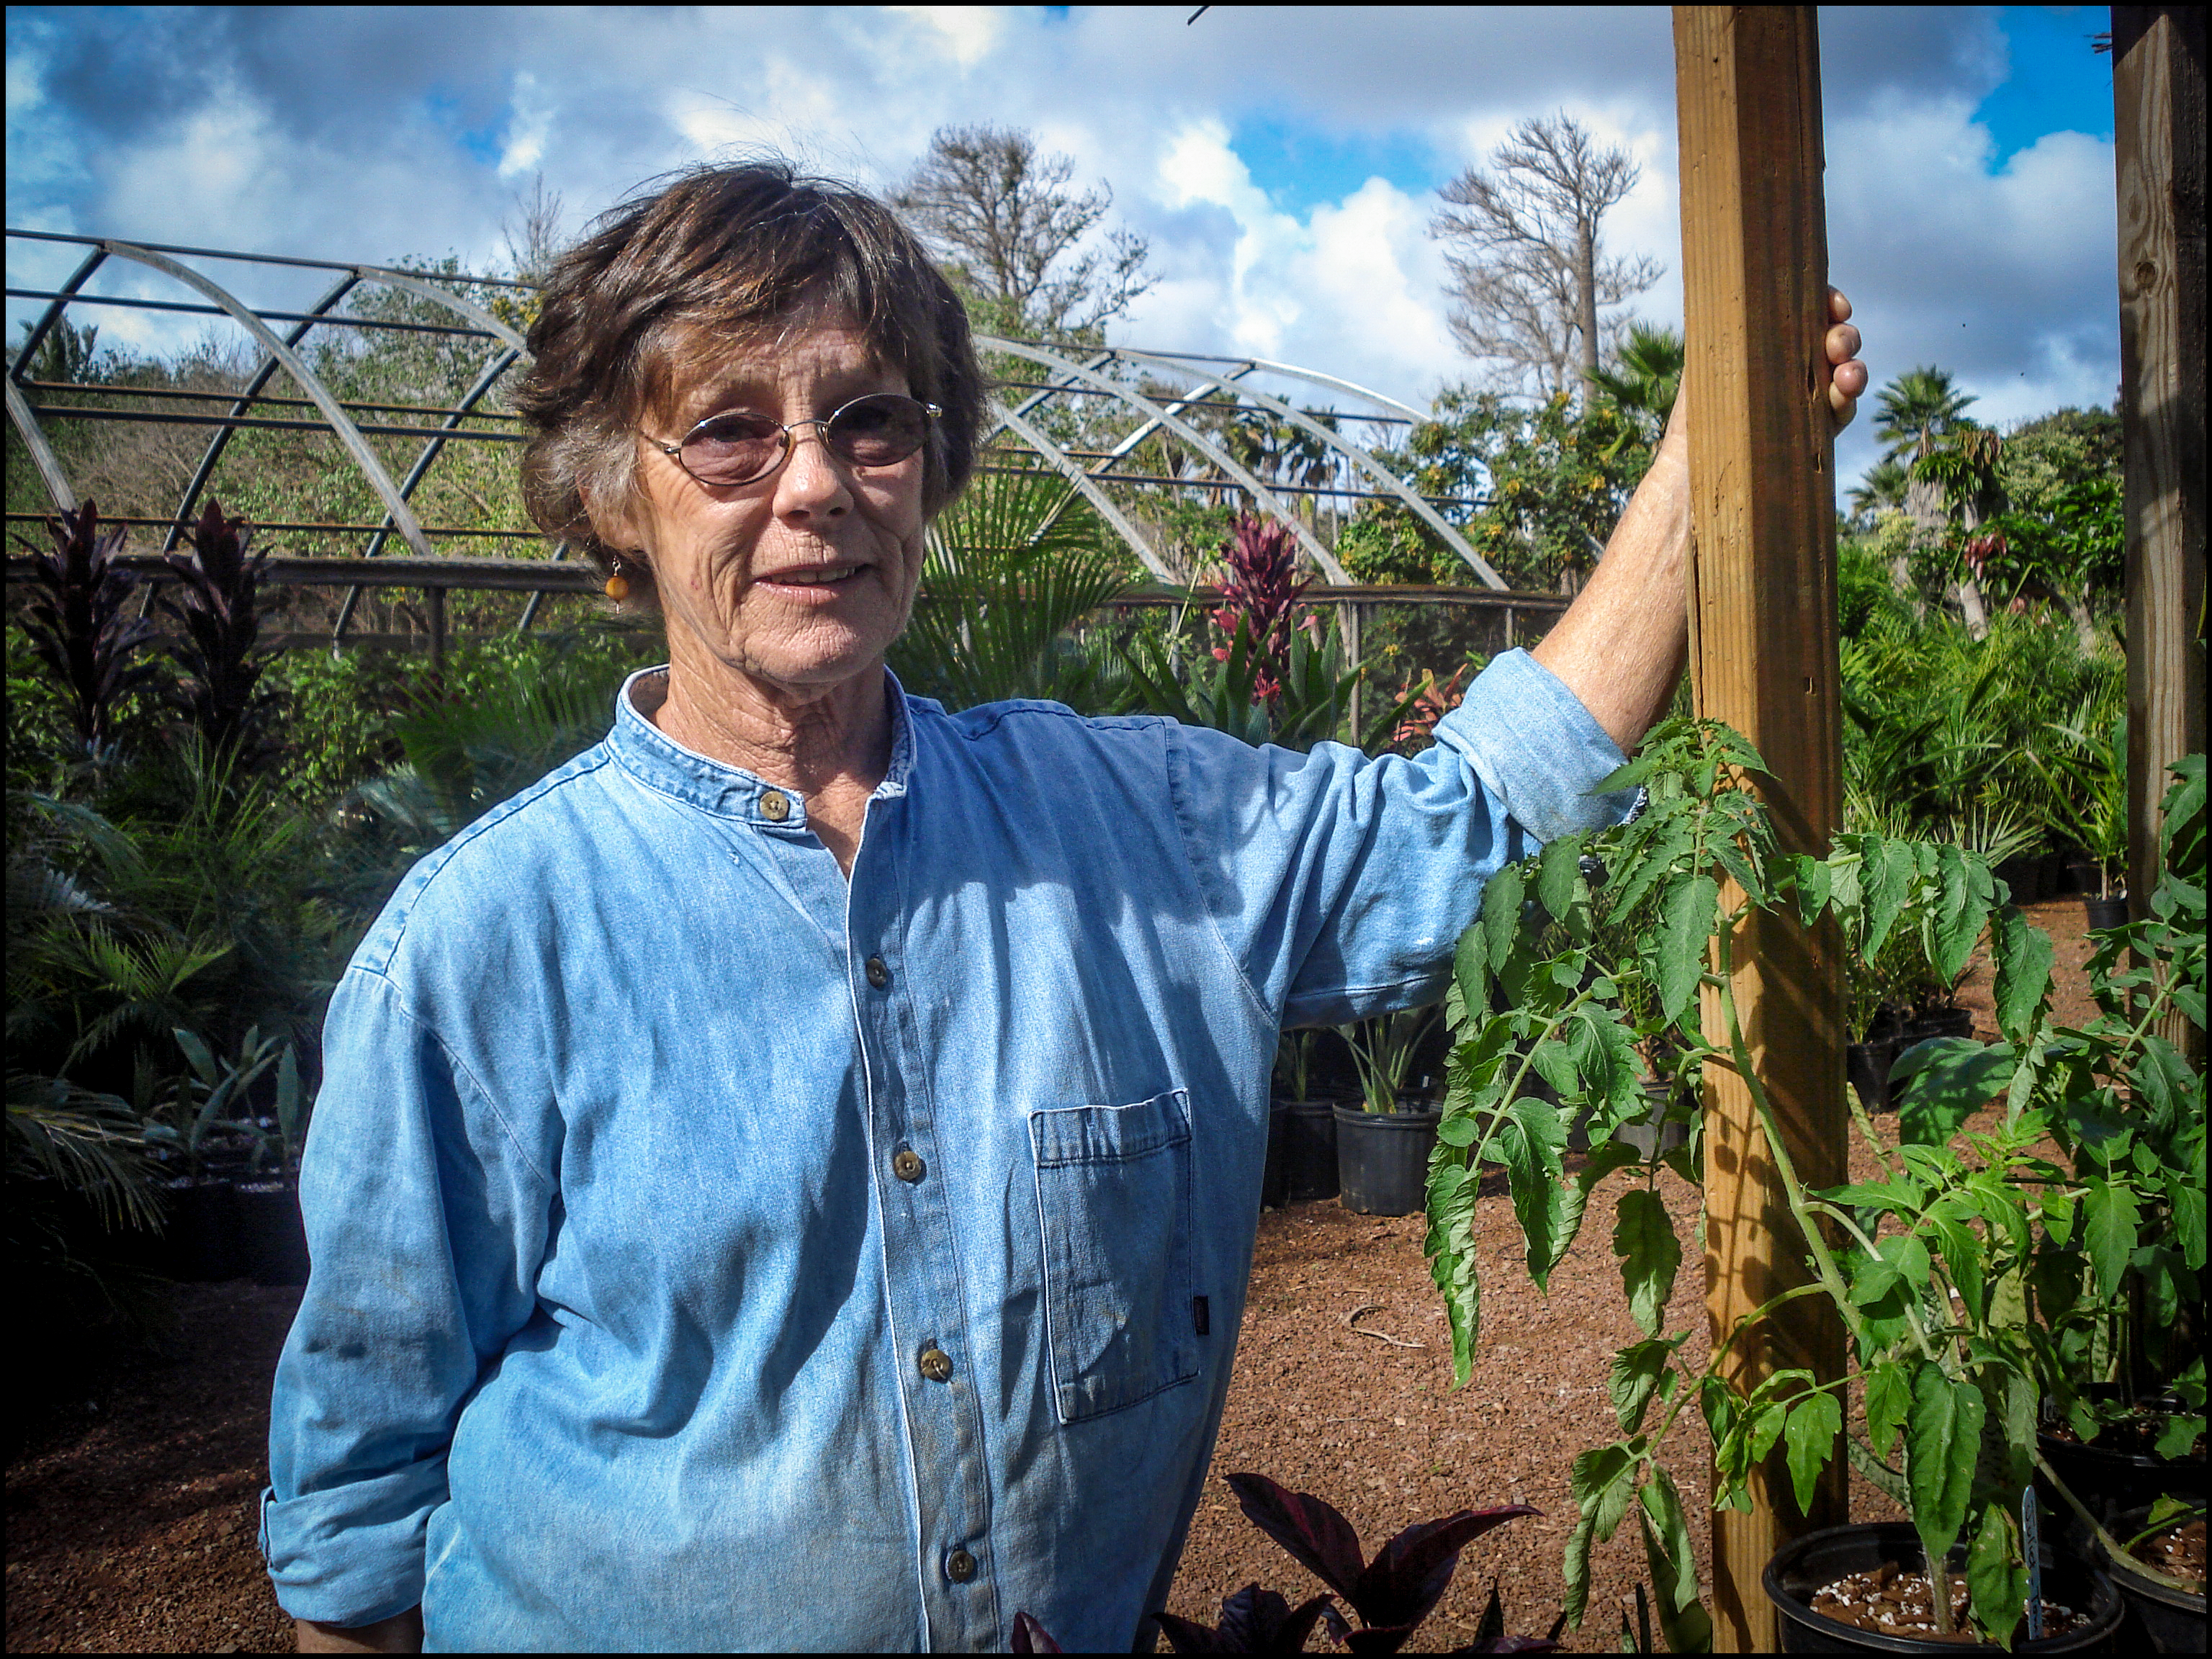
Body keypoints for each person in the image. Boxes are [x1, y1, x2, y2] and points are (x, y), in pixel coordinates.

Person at [263, 159, 1866, 1653]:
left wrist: (1697, 459)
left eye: (870, 424)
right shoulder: (485, 941)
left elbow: (1471, 826)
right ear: (617, 493)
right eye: (732, 432)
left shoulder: (1142, 832)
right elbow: (356, 1529)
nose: (813, 485)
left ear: (928, 470)